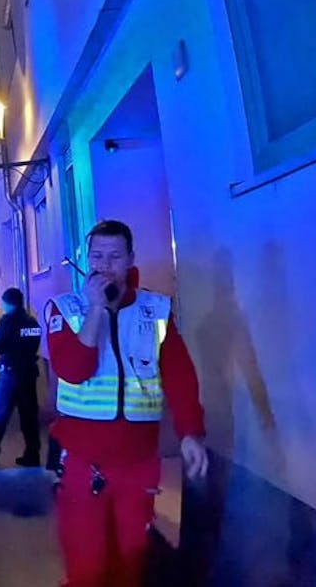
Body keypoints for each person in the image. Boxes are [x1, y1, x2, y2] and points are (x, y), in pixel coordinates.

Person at [44, 219, 207, 587]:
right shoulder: (65, 308)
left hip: (138, 465)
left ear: (131, 259)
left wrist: (190, 433)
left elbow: (181, 377)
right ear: (87, 259)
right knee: (87, 569)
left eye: (115, 256)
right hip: (85, 467)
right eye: (97, 256)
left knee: (131, 564)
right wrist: (95, 310)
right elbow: (72, 368)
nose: (105, 266)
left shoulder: (156, 311)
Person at [0, 286, 42, 470]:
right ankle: (32, 454)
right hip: (28, 374)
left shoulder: (7, 322)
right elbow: (33, 344)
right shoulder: (32, 323)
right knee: (29, 417)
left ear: (6, 303)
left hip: (10, 376)